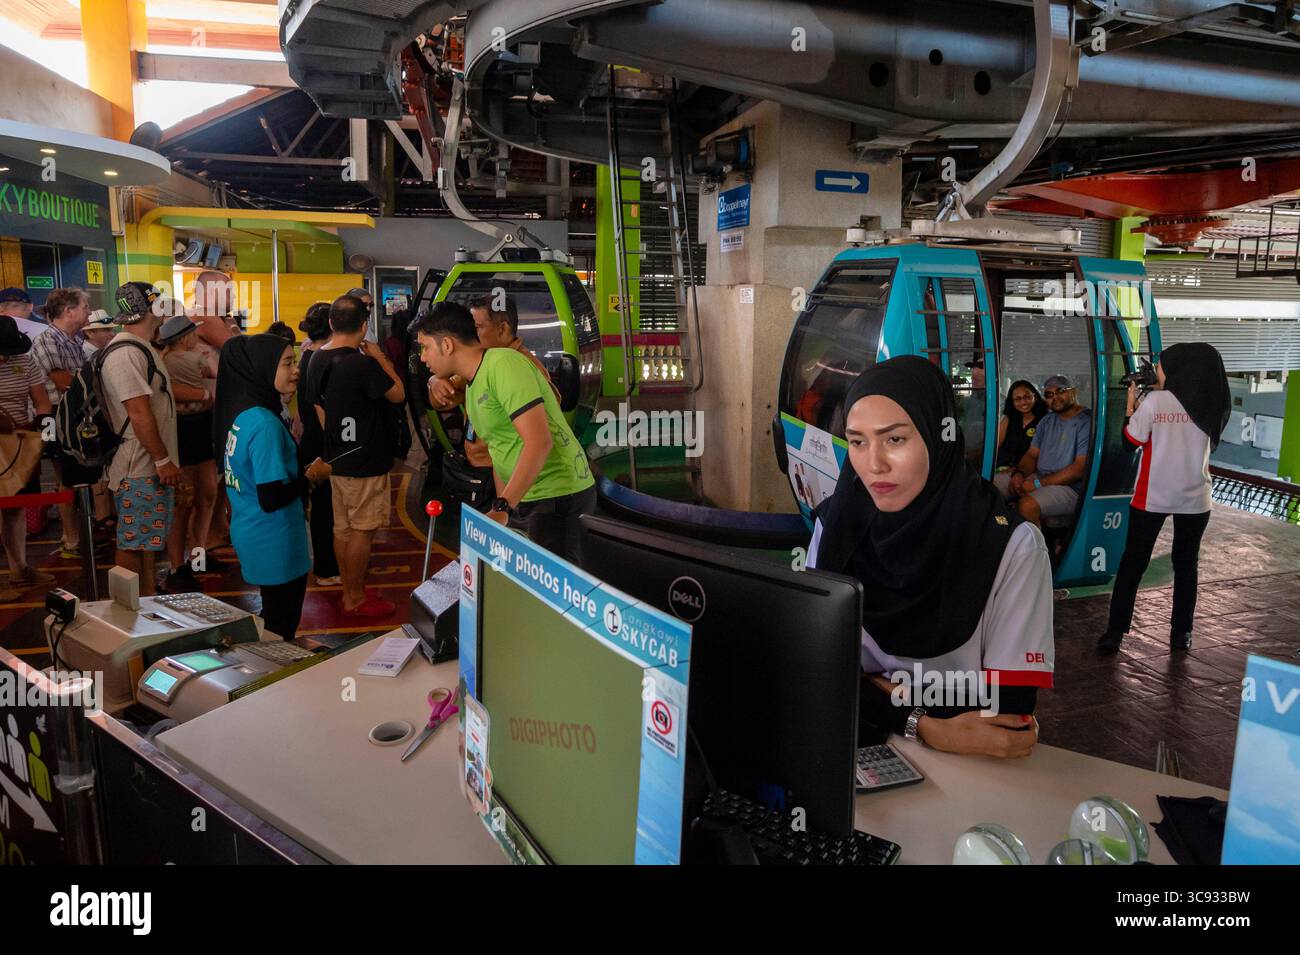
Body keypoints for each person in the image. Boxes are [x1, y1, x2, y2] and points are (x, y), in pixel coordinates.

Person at [807, 356, 1053, 758]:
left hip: (967, 767)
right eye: (858, 441)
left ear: (939, 437)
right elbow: (816, 666)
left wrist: (870, 686)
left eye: (895, 439)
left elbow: (1007, 714)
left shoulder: (1010, 546)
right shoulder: (835, 527)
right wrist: (927, 725)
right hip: (857, 749)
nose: (874, 464)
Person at [415, 301, 596, 562]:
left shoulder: (504, 365)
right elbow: (500, 450)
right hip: (524, 495)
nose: (422, 357)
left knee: (554, 594)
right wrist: (505, 508)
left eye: (425, 347)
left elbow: (539, 442)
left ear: (447, 345)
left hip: (558, 494)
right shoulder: (475, 378)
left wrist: (503, 507)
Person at [1098, 344, 1230, 654]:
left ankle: (1115, 633)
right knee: (1186, 567)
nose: (1157, 371)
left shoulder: (1156, 401)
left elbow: (1131, 442)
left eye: (1161, 365)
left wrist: (1131, 406)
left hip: (1152, 496)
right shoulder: (1212, 404)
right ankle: (1181, 634)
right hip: (1196, 499)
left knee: (1133, 564)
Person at [216, 334, 330, 639]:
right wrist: (310, 478)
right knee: (281, 626)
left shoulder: (245, 415)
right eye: (287, 363)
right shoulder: (265, 424)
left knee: (272, 617)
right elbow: (271, 496)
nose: (295, 370)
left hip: (252, 531)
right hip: (275, 538)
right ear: (263, 368)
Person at [304, 295, 405, 617]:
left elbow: (319, 408)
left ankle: (350, 589)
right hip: (367, 459)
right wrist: (380, 358)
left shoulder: (315, 358)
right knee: (363, 528)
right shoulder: (363, 364)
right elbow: (398, 394)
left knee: (342, 528)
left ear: (332, 323)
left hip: (336, 457)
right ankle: (354, 597)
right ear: (364, 325)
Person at [99, 282, 179, 596]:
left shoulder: (140, 347)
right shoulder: (126, 352)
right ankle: (125, 611)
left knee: (145, 541)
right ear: (150, 310)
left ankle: (144, 603)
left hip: (147, 464)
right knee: (133, 542)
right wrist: (162, 459)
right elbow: (138, 412)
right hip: (139, 466)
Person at [157, 315, 220, 593]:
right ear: (186, 337)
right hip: (188, 430)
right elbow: (211, 376)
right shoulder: (187, 359)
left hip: (188, 429)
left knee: (196, 496)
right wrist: (203, 396)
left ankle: (190, 559)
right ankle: (183, 563)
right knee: (195, 498)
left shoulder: (164, 359)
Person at [32, 288, 94, 559]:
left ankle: (79, 534)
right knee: (65, 477)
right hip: (56, 414)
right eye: (84, 307)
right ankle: (72, 538)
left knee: (76, 475)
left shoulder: (73, 339)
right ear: (68, 310)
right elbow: (63, 381)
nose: (89, 312)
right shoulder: (49, 340)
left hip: (74, 412)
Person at [0, 316, 55, 600]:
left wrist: (43, 434)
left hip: (19, 442)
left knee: (16, 508)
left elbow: (42, 401)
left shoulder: (25, 362)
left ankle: (19, 569)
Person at [993, 374, 1091, 530]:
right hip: (1040, 476)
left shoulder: (1087, 422)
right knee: (989, 488)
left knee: (1027, 505)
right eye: (1049, 395)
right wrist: (1019, 474)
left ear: (1074, 392)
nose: (1055, 397)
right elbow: (1032, 455)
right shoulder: (1047, 421)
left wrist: (1038, 484)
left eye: (1061, 391)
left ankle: (1038, 551)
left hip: (1071, 487)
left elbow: (1078, 469)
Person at [296, 303, 339, 585]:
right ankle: (327, 567)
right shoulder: (324, 360)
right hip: (324, 441)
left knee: (320, 505)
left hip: (310, 438)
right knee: (326, 507)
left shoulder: (306, 356)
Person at [994, 379, 1048, 473]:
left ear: (1034, 396)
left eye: (1027, 397)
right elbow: (995, 445)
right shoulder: (1008, 419)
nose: (1023, 402)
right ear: (1012, 401)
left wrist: (1019, 472)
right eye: (1017, 399)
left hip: (1026, 473)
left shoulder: (1045, 421)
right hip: (999, 469)